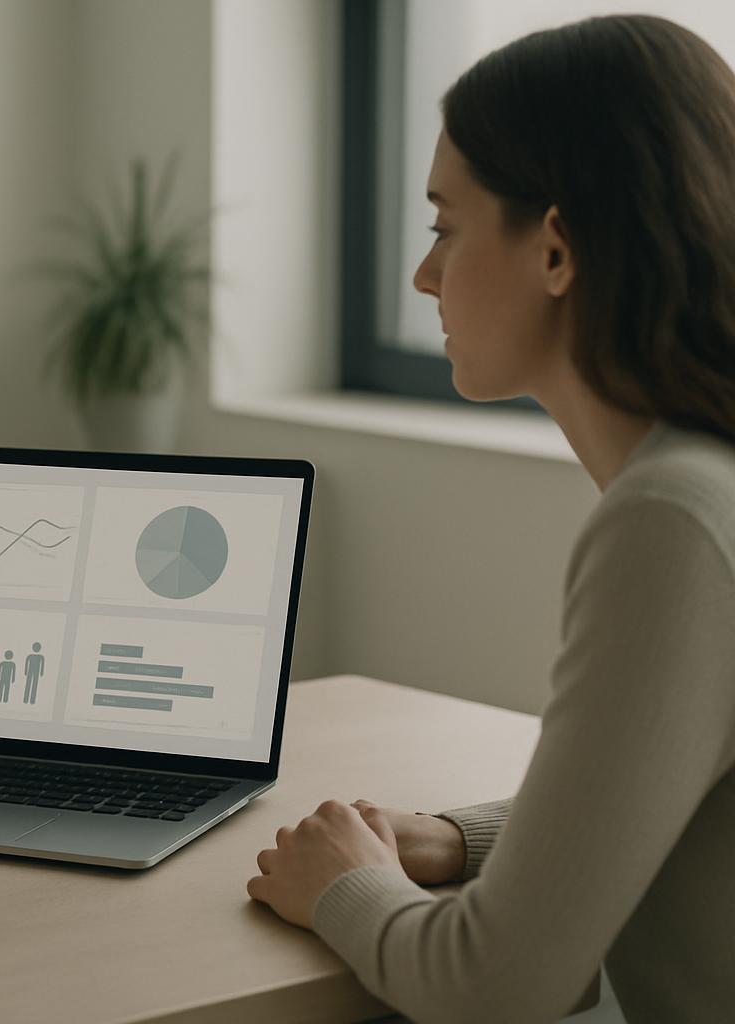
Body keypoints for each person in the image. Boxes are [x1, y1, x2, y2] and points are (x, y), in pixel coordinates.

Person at [245, 15, 735, 1022]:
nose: (424, 276)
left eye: (444, 226)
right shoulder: (705, 483)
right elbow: (660, 791)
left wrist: (340, 881)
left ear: (556, 249)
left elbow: (496, 987)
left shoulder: (672, 520)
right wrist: (458, 839)